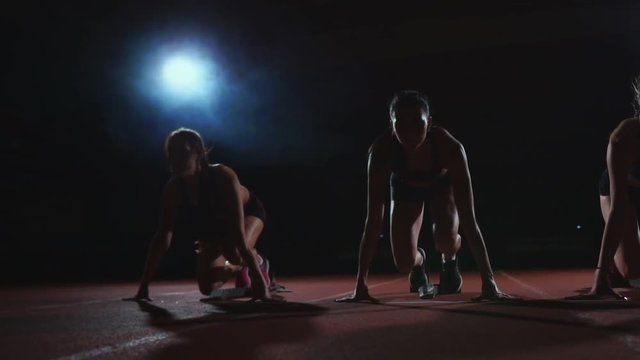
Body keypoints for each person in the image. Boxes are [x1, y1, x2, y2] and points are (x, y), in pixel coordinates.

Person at [336, 90, 513, 302]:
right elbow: (373, 219)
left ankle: (450, 260)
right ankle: (419, 262)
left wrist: (489, 282)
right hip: (404, 188)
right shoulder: (381, 152)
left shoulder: (451, 149)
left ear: (429, 123)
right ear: (391, 125)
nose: (409, 132)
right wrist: (360, 286)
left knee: (445, 239)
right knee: (403, 262)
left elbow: (469, 219)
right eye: (400, 124)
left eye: (417, 124)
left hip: (441, 186)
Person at [128, 127, 272, 301]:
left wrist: (260, 285)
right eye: (171, 152)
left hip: (248, 213)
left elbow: (238, 234)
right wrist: (143, 287)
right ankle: (243, 267)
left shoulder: (223, 176)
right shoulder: (174, 189)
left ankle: (259, 262)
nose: (175, 158)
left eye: (182, 152)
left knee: (233, 250)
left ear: (198, 152)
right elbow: (163, 236)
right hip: (215, 227)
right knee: (207, 287)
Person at [571, 81, 640, 300]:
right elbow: (618, 209)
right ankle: (615, 268)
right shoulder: (626, 136)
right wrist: (600, 276)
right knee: (633, 271)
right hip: (622, 192)